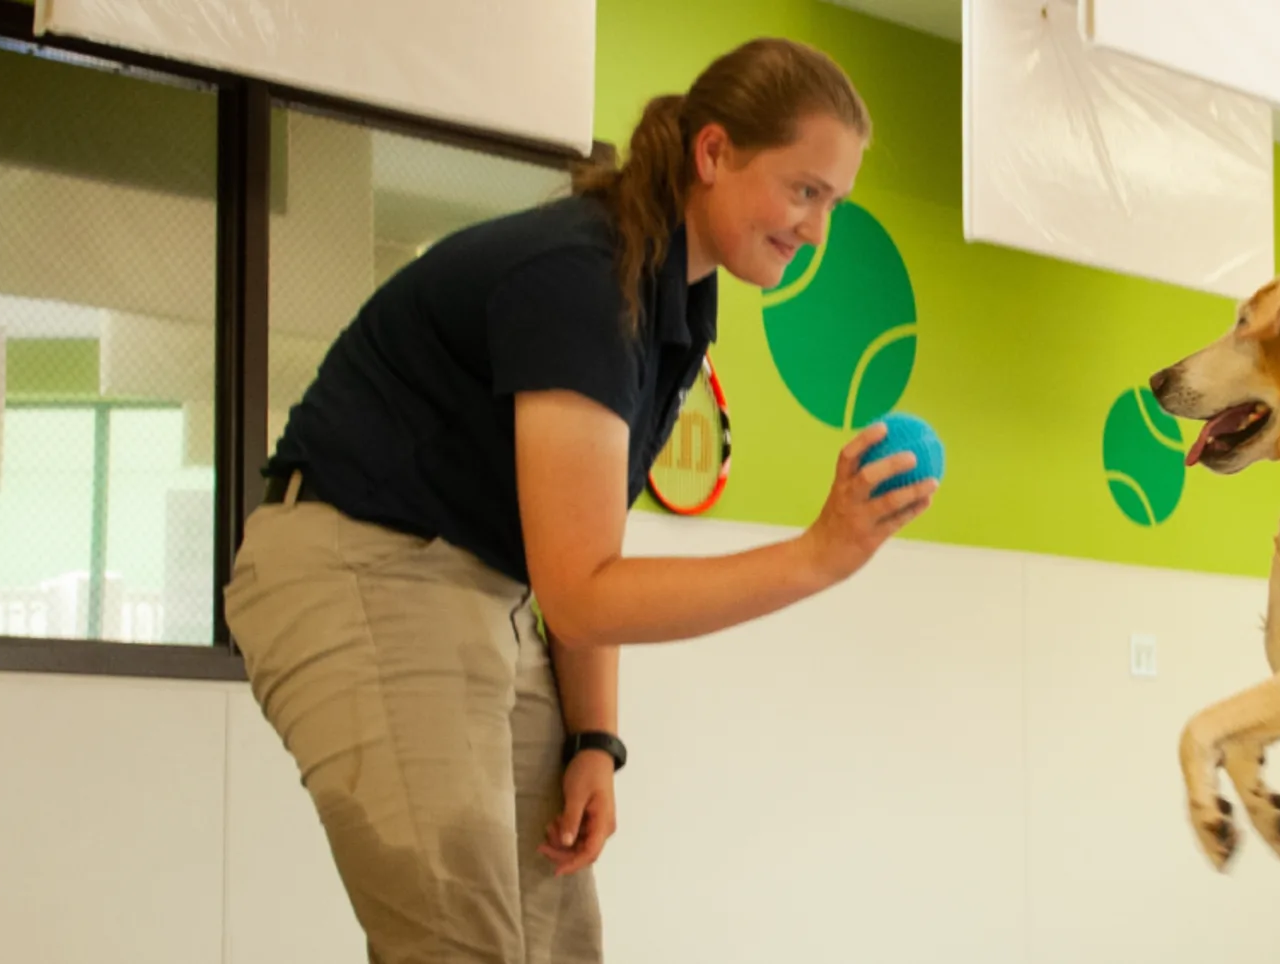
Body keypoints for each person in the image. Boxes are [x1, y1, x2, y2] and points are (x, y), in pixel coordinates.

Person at [221, 37, 931, 964]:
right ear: (714, 152)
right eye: (804, 190)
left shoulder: (667, 299)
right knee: (457, 945)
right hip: (359, 566)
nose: (817, 230)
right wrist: (816, 554)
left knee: (560, 942)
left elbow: (588, 550)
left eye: (833, 202)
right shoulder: (581, 278)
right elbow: (586, 591)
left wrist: (594, 738)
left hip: (485, 590)